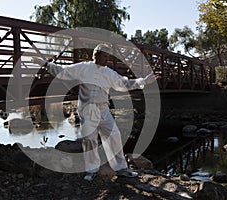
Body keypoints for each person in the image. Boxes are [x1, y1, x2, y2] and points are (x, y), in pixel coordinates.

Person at [33, 44, 157, 181]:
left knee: (114, 135)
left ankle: (121, 169)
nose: (107, 59)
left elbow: (124, 83)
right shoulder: (83, 68)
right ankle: (91, 170)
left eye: (108, 57)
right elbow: (63, 71)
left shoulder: (108, 73)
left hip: (104, 109)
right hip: (87, 110)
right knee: (89, 140)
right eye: (104, 56)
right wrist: (45, 64)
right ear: (96, 55)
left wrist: (144, 81)